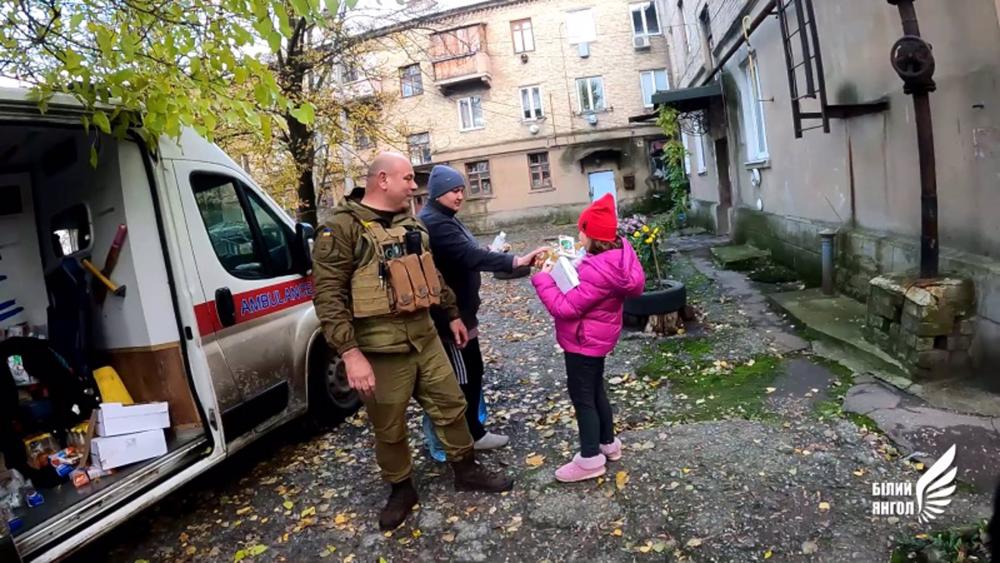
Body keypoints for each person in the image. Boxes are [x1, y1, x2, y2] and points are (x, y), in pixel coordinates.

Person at [312, 152, 513, 531]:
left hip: (425, 337)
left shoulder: (411, 224)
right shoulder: (340, 230)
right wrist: (350, 354)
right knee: (389, 425)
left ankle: (466, 470)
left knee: (452, 405)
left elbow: (431, 276)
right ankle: (401, 488)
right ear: (382, 180)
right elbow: (328, 297)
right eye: (407, 179)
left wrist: (452, 314)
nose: (413, 186)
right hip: (379, 348)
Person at [417, 165, 547, 458]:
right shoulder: (434, 222)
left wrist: (491, 250)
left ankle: (470, 431)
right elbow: (467, 256)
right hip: (451, 318)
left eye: (462, 190)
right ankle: (463, 438)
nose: (460, 195)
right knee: (461, 378)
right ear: (438, 192)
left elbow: (464, 252)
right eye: (454, 190)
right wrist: (515, 261)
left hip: (462, 313)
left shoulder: (446, 218)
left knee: (473, 370)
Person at [530, 194, 645, 482]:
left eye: (581, 230)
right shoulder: (616, 256)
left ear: (591, 235)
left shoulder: (597, 270)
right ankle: (608, 443)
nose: (578, 235)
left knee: (583, 397)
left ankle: (590, 458)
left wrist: (544, 278)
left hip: (583, 341)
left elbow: (566, 307)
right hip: (598, 338)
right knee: (595, 390)